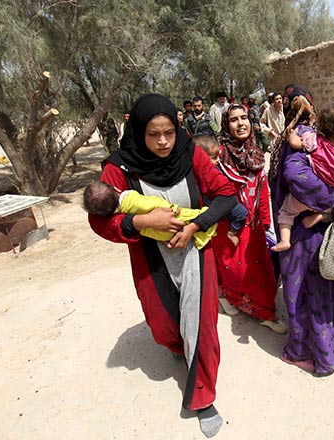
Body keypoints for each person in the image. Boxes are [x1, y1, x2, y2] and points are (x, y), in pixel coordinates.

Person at [88, 93, 237, 438]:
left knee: (200, 324)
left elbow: (227, 194)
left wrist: (193, 226)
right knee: (165, 320)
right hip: (151, 258)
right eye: (153, 134)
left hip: (195, 250)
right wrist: (142, 222)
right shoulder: (119, 167)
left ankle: (202, 396)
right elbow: (100, 221)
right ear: (138, 131)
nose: (163, 142)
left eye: (169, 132)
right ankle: (176, 346)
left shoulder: (191, 153)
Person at [271, 85, 334, 376]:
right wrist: (330, 201)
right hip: (303, 235)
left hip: (308, 229)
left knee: (312, 286)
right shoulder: (302, 137)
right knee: (306, 289)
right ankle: (307, 351)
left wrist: (324, 210)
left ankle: (319, 339)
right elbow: (296, 176)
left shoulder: (303, 140)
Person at [211, 103, 287, 333]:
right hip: (228, 226)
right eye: (234, 119)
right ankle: (226, 297)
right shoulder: (219, 155)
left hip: (253, 224)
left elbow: (262, 189)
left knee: (258, 269)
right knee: (230, 267)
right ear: (226, 124)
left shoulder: (254, 152)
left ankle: (265, 312)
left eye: (243, 117)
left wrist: (265, 221)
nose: (240, 123)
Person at [271, 105, 334, 252]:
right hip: (329, 197)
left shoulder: (316, 141)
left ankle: (285, 241)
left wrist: (293, 133)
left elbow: (295, 143)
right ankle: (320, 216)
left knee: (286, 211)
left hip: (306, 194)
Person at [84, 179, 247, 248]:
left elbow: (226, 195)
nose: (162, 141)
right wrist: (167, 209)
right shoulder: (130, 199)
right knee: (191, 216)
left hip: (161, 236)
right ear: (116, 189)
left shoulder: (118, 209)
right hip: (171, 217)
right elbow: (153, 205)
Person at [193, 134, 250, 247]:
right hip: (215, 203)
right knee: (242, 213)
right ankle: (232, 232)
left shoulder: (215, 168)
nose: (217, 161)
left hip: (214, 204)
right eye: (213, 158)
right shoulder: (208, 172)